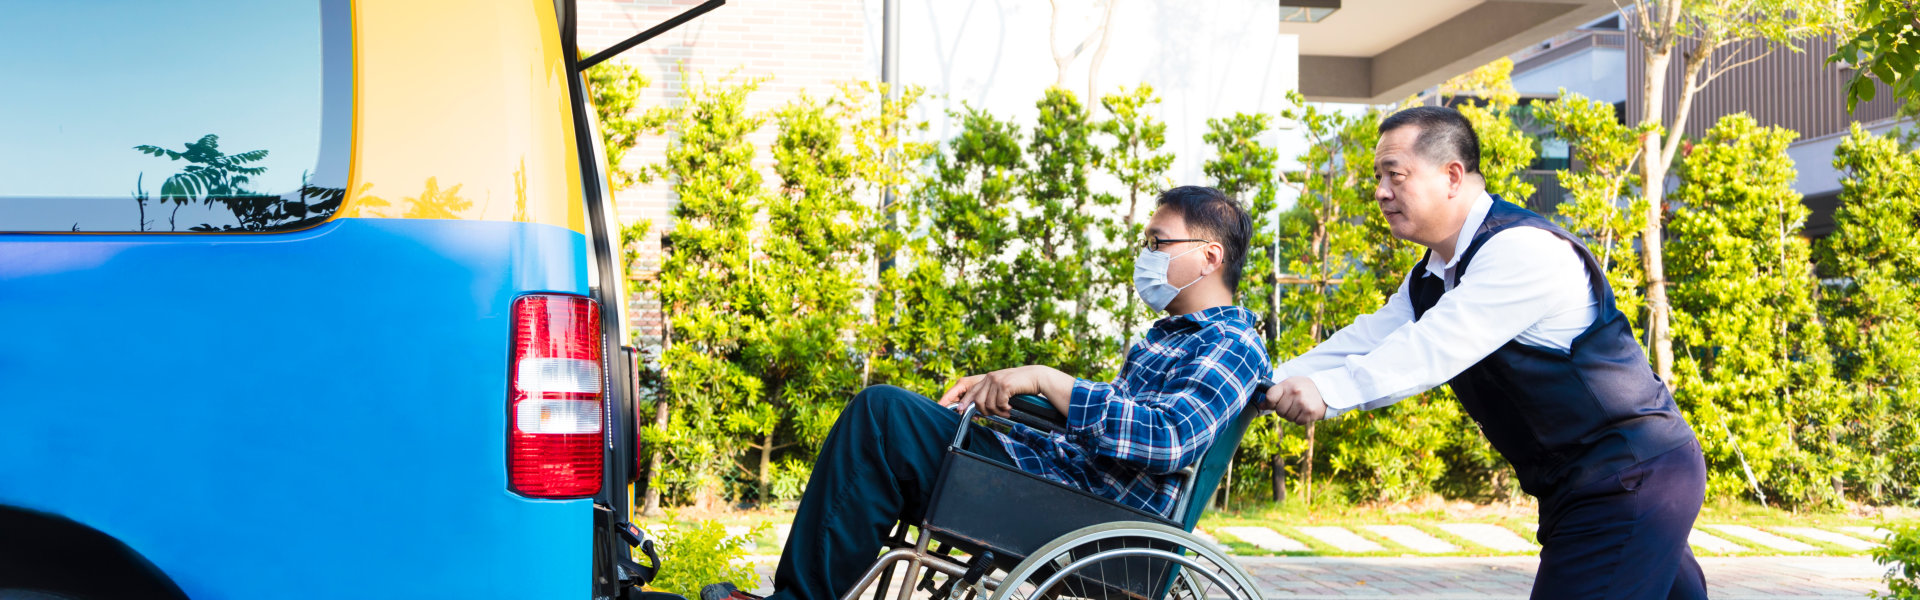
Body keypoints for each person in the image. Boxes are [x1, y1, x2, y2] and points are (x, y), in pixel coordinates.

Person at [705, 186, 1271, 600]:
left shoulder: (1232, 345)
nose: (1145, 253)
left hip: (1085, 515)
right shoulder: (1169, 338)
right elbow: (1118, 423)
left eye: (1158, 241)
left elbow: (1168, 438)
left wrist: (1048, 379)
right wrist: (1006, 393)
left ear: (1209, 255)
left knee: (883, 418)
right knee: (902, 422)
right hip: (1062, 484)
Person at [1262, 105, 1706, 599]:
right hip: (1598, 482)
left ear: (1452, 175)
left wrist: (1330, 392)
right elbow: (1368, 338)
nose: (1381, 192)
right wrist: (1262, 383)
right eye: (1377, 177)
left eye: (1395, 175)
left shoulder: (1521, 251)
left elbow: (1433, 347)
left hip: (1627, 478)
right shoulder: (1433, 274)